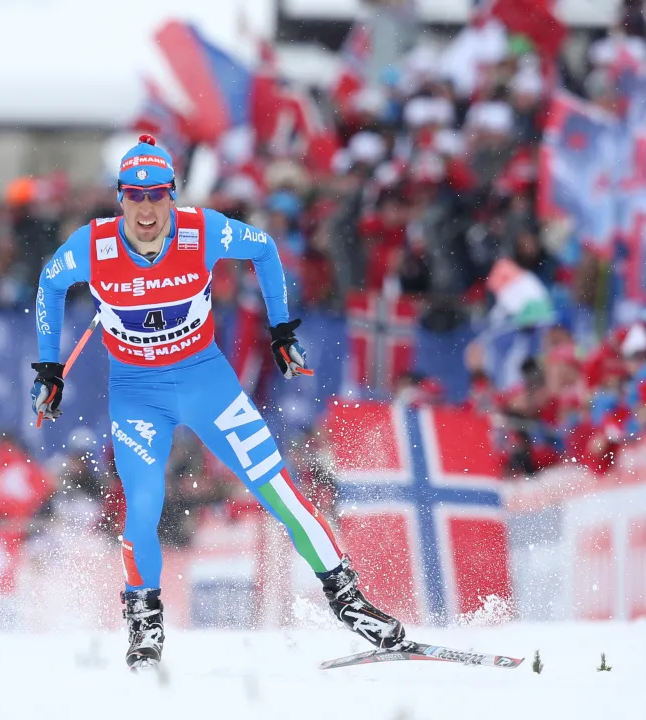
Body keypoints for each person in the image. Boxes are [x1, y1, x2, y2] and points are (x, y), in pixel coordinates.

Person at [30, 136, 406, 671]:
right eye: (134, 196)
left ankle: (350, 602)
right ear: (120, 198)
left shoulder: (200, 229)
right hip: (138, 392)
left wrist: (280, 329)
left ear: (172, 196)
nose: (145, 208)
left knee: (278, 490)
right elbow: (49, 282)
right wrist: (48, 367)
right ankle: (144, 624)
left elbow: (264, 249)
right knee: (142, 506)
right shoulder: (94, 246)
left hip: (205, 381)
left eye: (157, 195)